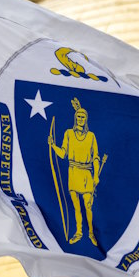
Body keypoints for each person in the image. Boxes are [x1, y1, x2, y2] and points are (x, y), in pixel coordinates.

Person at [49, 98, 101, 246]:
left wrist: (96, 175)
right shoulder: (69, 134)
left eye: (83, 117)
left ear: (86, 119)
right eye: (78, 116)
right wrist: (53, 145)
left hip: (86, 173)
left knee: (88, 206)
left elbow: (96, 157)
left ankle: (91, 233)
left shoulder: (91, 136)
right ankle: (79, 232)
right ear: (75, 118)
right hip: (73, 172)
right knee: (76, 206)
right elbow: (63, 154)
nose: (80, 119)